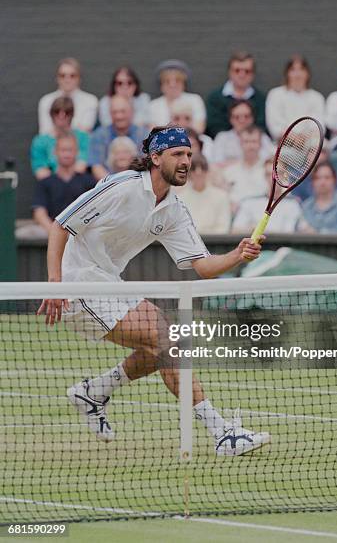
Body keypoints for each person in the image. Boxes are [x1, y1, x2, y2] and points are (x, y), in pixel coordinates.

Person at [37, 126, 269, 456]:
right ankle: (222, 433)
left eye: (189, 154)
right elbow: (61, 225)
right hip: (78, 283)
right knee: (167, 338)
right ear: (155, 158)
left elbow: (202, 266)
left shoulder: (174, 210)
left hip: (110, 283)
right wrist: (55, 284)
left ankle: (94, 391)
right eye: (177, 154)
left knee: (159, 347)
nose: (186, 161)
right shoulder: (121, 186)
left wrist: (237, 254)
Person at [32, 134, 96, 236]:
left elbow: (96, 209)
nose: (66, 154)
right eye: (63, 150)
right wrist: (54, 233)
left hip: (82, 233)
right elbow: (39, 212)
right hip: (51, 232)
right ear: (55, 153)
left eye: (70, 150)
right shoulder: (45, 182)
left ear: (77, 153)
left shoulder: (89, 181)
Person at [232, 158, 302, 233]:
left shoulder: (293, 204)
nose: (274, 179)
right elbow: (235, 230)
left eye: (278, 173)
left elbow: (291, 233)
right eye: (269, 174)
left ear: (285, 176)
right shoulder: (249, 203)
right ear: (264, 176)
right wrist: (252, 230)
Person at [206, 51, 266, 137]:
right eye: (237, 70)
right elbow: (213, 127)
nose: (242, 75)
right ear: (229, 72)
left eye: (247, 71)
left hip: (253, 144)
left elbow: (262, 126)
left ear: (253, 74)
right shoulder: (215, 98)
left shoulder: (260, 99)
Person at [265, 55, 325, 141]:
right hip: (283, 145)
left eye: (301, 69)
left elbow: (319, 127)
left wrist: (304, 140)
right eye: (293, 70)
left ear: (308, 73)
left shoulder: (317, 97)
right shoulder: (275, 94)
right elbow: (275, 127)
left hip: (310, 145)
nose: (297, 74)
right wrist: (294, 139)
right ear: (287, 73)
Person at [89, 96, 147, 181]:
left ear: (132, 112)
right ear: (110, 114)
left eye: (123, 111)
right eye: (114, 112)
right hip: (108, 185)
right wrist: (114, 184)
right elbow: (96, 166)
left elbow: (147, 165)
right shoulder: (99, 134)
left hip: (138, 183)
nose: (119, 116)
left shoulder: (143, 135)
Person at [31, 96, 90, 180]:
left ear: (72, 114)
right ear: (51, 114)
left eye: (67, 112)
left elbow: (81, 166)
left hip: (78, 184)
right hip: (51, 187)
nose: (61, 116)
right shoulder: (40, 141)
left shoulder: (83, 138)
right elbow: (40, 171)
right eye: (57, 111)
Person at [38, 58, 98, 134]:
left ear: (79, 78)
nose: (67, 80)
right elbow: (44, 133)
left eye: (72, 76)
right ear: (57, 78)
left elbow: (84, 133)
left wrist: (57, 130)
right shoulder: (46, 101)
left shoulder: (90, 101)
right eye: (62, 76)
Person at [177, 154, 231, 234]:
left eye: (203, 168)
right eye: (194, 168)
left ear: (208, 171)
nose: (198, 172)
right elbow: (179, 227)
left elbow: (223, 227)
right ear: (189, 173)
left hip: (216, 243)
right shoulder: (179, 198)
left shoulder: (221, 196)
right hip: (188, 243)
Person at [299, 162, 337, 233]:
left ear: (335, 179)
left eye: (327, 178)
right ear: (312, 182)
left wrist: (319, 232)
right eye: (318, 178)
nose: (322, 182)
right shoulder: (307, 205)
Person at [149, 60, 206, 132]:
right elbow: (152, 131)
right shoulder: (153, 105)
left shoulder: (195, 100)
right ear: (161, 85)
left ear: (184, 83)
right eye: (167, 81)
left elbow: (199, 128)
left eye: (177, 80)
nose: (172, 85)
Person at [213, 100, 275, 164]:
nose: (242, 120)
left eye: (246, 116)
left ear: (252, 118)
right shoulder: (222, 138)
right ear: (230, 119)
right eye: (237, 117)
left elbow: (271, 161)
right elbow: (217, 164)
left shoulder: (262, 137)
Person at [220, 126, 267, 212]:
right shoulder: (229, 171)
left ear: (260, 144)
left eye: (254, 142)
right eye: (246, 142)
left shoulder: (269, 170)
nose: (250, 146)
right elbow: (222, 198)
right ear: (240, 143)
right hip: (236, 217)